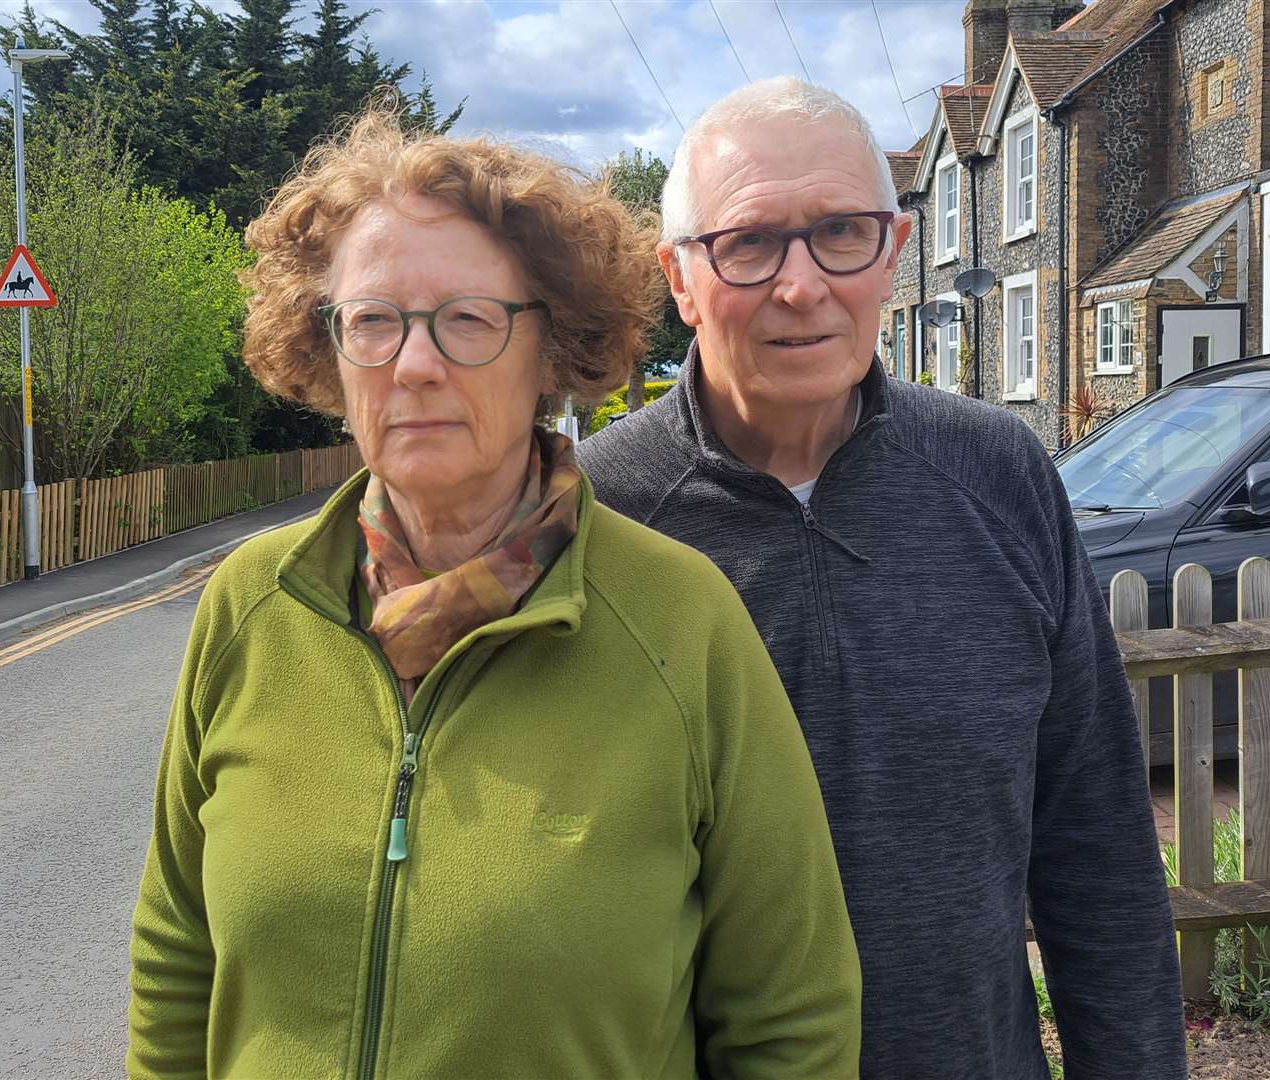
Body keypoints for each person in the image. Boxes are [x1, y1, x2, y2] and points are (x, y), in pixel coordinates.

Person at [125, 110, 863, 1080]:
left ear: (550, 354)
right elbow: (180, 953)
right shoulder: (251, 605)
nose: (415, 364)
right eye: (374, 321)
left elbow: (790, 1017)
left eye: (468, 319)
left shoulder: (682, 623)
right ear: (328, 353)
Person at [579, 77, 1186, 1080]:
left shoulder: (1000, 474)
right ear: (679, 280)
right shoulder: (596, 517)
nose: (802, 283)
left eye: (841, 233)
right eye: (749, 242)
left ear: (894, 252)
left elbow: (1097, 845)